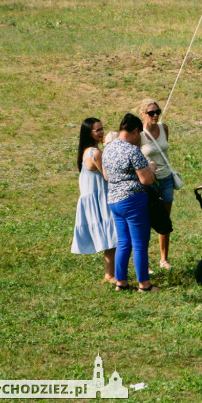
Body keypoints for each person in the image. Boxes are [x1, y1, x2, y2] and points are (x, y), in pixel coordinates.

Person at [102, 113, 159, 292]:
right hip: (133, 201)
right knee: (140, 243)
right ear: (135, 131)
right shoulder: (133, 151)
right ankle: (144, 285)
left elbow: (106, 175)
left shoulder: (108, 149)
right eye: (139, 134)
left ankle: (121, 282)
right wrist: (151, 170)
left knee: (123, 242)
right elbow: (146, 181)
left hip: (114, 201)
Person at [71, 118, 117, 282]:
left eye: (102, 129)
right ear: (89, 133)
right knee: (112, 238)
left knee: (111, 238)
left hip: (94, 198)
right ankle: (110, 274)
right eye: (97, 130)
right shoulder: (95, 152)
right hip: (100, 199)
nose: (101, 132)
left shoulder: (86, 151)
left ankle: (111, 273)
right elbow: (108, 175)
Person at [139, 98, 174, 270]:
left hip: (166, 178)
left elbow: (165, 149)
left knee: (165, 220)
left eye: (157, 112)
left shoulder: (164, 127)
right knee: (146, 220)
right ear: (143, 115)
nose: (155, 115)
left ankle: (164, 259)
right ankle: (144, 262)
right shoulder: (139, 135)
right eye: (151, 113)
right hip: (150, 182)